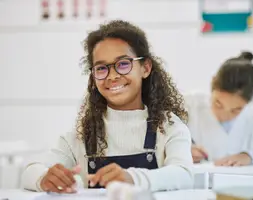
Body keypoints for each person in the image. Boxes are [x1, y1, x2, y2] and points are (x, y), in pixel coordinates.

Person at [22, 20, 193, 193]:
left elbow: (184, 174)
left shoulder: (169, 126)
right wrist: (44, 178)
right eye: (102, 68)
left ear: (145, 68)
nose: (112, 76)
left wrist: (132, 178)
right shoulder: (83, 134)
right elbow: (30, 172)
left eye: (123, 64)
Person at [185, 51, 253, 166]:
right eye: (218, 104)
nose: (224, 115)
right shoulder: (190, 104)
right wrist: (182, 150)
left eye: (236, 110)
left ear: (250, 100)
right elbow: (167, 141)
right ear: (212, 86)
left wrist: (249, 156)